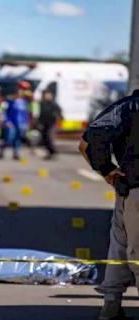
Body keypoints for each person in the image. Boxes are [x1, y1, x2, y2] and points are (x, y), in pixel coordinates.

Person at [79, 89, 139, 320]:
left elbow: (87, 143)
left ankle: (111, 307)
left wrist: (107, 172)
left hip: (133, 190)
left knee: (122, 245)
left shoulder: (127, 107)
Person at [0, 81, 30, 160]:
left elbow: (25, 114)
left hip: (20, 123)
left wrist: (27, 123)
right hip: (11, 123)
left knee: (17, 139)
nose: (20, 94)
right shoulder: (9, 101)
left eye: (21, 92)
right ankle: (2, 151)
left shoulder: (24, 102)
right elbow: (4, 112)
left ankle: (16, 154)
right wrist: (6, 121)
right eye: (18, 92)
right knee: (8, 138)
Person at [37, 90, 63, 160]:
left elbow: (60, 113)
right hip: (44, 124)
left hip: (52, 124)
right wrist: (39, 123)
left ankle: (53, 151)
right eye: (45, 95)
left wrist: (58, 117)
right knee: (44, 139)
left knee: (49, 137)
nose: (47, 96)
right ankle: (50, 153)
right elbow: (39, 114)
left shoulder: (54, 104)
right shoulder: (41, 104)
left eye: (48, 95)